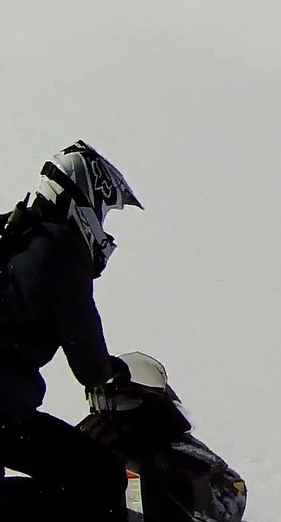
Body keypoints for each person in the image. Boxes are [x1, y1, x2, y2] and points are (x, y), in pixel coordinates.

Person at [0, 140, 144, 521]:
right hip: (2, 408)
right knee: (101, 477)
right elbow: (86, 354)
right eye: (102, 207)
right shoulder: (60, 249)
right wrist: (111, 372)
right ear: (83, 193)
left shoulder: (13, 232)